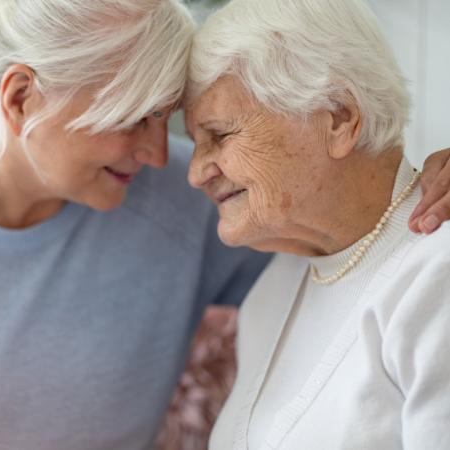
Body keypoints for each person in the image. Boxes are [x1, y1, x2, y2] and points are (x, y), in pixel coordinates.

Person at [0, 1, 450, 449]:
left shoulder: (180, 193)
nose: (158, 155)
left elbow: (351, 239)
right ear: (19, 99)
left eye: (164, 119)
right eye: (129, 119)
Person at [184, 0, 450, 448]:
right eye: (195, 142)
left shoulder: (436, 276)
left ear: (340, 118)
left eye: (221, 134)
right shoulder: (274, 286)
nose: (195, 172)